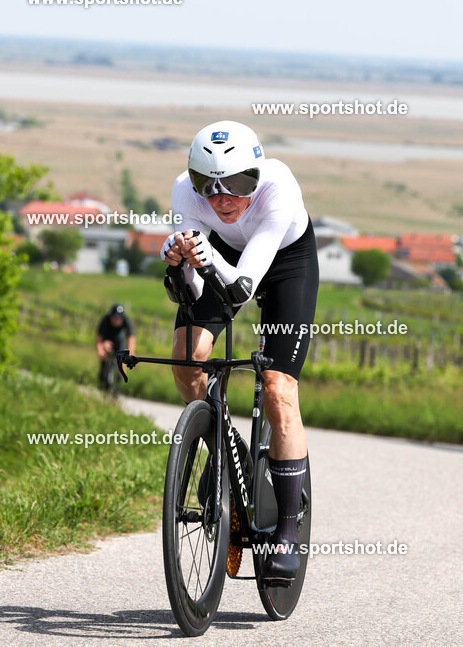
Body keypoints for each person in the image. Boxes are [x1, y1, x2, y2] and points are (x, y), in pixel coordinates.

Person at [160, 120, 318, 583]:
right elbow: (188, 291)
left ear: (257, 174)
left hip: (283, 262)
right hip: (222, 257)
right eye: (207, 186)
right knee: (187, 359)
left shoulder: (278, 189)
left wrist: (205, 259)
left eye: (237, 184)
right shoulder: (183, 195)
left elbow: (243, 287)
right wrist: (179, 263)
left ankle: (286, 528)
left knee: (277, 386)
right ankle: (226, 457)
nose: (223, 198)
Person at [96, 303, 135, 393]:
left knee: (121, 364)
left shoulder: (126, 320)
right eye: (115, 318)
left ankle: (116, 389)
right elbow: (99, 337)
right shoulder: (105, 320)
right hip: (107, 340)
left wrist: (131, 353)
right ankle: (103, 384)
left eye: (119, 318)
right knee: (104, 360)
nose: (117, 320)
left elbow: (131, 337)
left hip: (119, 341)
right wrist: (100, 349)